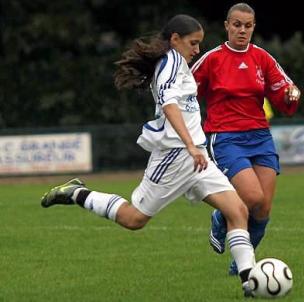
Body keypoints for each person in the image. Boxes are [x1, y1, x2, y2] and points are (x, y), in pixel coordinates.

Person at [40, 14, 256, 296]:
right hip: (175, 156)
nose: (197, 50)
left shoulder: (179, 63)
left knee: (237, 210)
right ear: (175, 40)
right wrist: (189, 144)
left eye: (199, 44)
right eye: (193, 43)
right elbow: (169, 104)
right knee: (134, 219)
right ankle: (75, 193)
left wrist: (195, 147)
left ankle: (251, 282)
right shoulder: (170, 63)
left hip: (196, 156)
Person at [191, 3, 301, 275]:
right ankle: (220, 216)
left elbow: (283, 88)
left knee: (263, 208)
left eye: (248, 25)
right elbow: (186, 93)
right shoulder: (212, 59)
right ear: (227, 25)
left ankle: (241, 265)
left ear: (253, 28)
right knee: (251, 196)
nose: (242, 30)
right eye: (237, 24)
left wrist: (290, 94)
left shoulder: (262, 57)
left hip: (260, 136)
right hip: (226, 137)